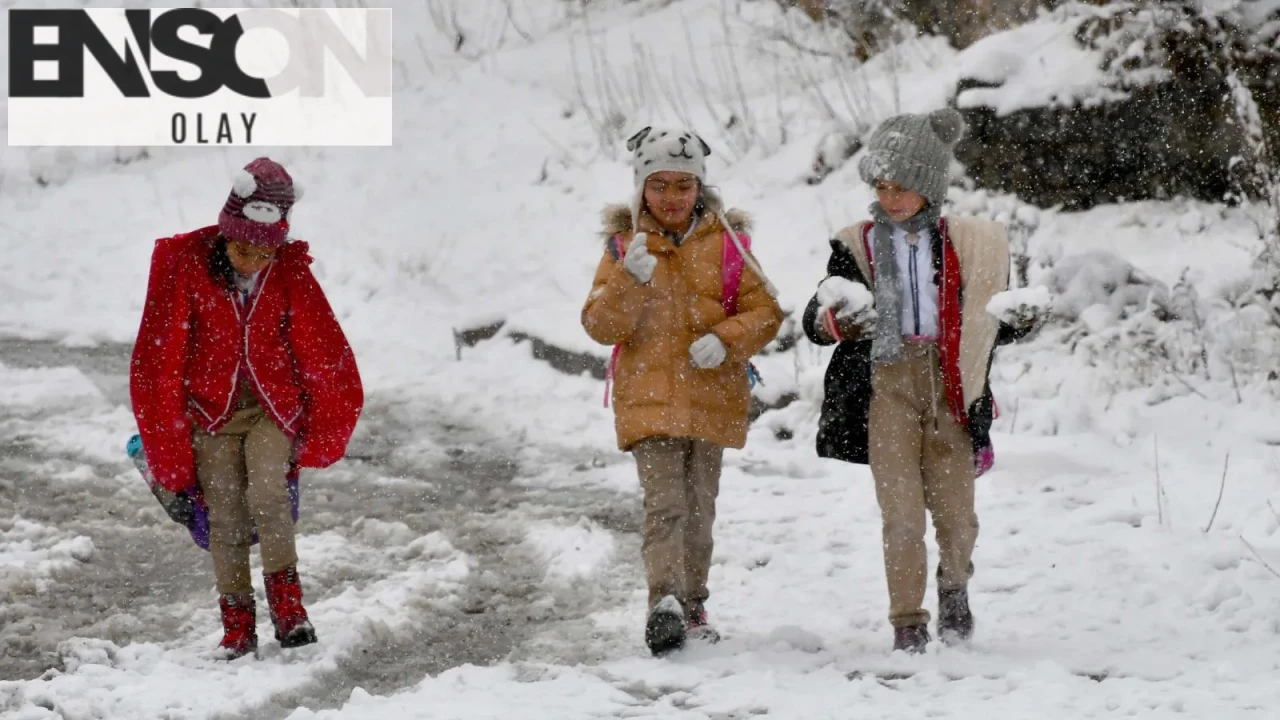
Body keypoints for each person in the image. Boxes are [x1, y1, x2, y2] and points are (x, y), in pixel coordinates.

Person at [802, 109, 1044, 654]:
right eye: (881, 186)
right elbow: (816, 320)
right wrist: (837, 321)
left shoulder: (973, 245)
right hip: (887, 386)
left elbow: (988, 327)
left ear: (930, 186)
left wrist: (1020, 323)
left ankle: (954, 586)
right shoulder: (856, 245)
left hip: (951, 385)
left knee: (958, 517)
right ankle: (907, 621)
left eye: (902, 186)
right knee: (902, 517)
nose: (890, 198)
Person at [129, 157, 363, 659]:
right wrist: (168, 439)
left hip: (270, 409)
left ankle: (289, 607)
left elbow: (321, 348)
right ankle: (237, 621)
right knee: (226, 515)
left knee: (267, 492)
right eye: (242, 249)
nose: (252, 262)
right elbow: (162, 352)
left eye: (264, 252)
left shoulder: (288, 274)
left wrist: (325, 418)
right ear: (225, 233)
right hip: (210, 413)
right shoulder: (189, 268)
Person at [582, 127, 784, 656]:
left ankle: (694, 603)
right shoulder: (625, 247)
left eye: (683, 184)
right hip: (649, 400)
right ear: (640, 188)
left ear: (700, 186)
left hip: (711, 398)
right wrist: (628, 279)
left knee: (700, 507)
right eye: (659, 185)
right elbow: (600, 326)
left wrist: (725, 337)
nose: (672, 197)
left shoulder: (727, 244)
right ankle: (663, 605)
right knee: (665, 505)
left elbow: (766, 313)